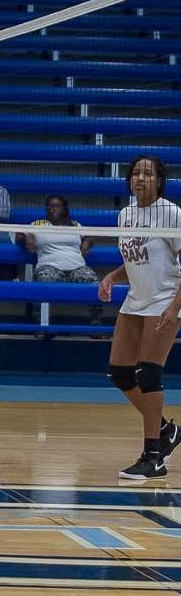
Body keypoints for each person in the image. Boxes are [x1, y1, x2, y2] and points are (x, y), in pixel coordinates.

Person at [98, 155, 181, 480]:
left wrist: (173, 308)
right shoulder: (126, 214)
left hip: (164, 301)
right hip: (136, 301)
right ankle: (165, 430)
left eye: (147, 174)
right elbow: (137, 260)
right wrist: (112, 277)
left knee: (147, 375)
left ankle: (153, 459)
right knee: (120, 374)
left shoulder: (173, 214)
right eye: (135, 173)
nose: (140, 178)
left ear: (159, 180)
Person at [17, 195, 97, 284]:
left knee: (91, 282)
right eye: (51, 206)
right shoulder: (37, 224)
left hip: (77, 266)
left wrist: (86, 242)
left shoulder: (74, 224)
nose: (54, 209)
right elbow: (19, 236)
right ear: (47, 208)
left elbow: (90, 237)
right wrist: (27, 237)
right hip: (49, 267)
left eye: (58, 206)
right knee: (46, 281)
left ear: (64, 209)